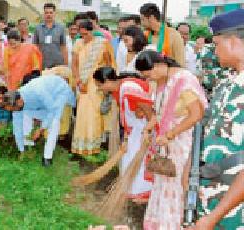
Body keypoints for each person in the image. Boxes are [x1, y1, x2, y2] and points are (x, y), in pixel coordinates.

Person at [135, 50, 207, 229]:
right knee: (164, 181)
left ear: (159, 65)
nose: (149, 79)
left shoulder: (183, 80)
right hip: (167, 143)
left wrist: (170, 134)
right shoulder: (162, 82)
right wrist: (149, 128)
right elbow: (160, 112)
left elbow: (196, 114)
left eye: (149, 74)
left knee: (177, 184)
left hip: (183, 142)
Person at [188, 9, 244, 230]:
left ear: (233, 42)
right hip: (211, 201)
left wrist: (213, 218)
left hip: (235, 214)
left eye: (217, 43)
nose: (214, 50)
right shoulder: (227, 83)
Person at [93, 67, 153, 202]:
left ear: (108, 81)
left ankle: (142, 193)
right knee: (129, 158)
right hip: (134, 131)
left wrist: (150, 129)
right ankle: (133, 191)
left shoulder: (128, 89)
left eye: (100, 85)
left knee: (139, 161)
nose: (100, 89)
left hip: (142, 130)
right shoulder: (119, 89)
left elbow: (149, 109)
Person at [0, 75, 75, 167]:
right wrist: (21, 150)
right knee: (25, 114)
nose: (14, 111)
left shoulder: (37, 90)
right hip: (44, 105)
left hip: (58, 92)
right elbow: (18, 128)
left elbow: (52, 110)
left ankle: (47, 158)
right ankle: (28, 146)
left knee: (54, 121)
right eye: (12, 110)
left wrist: (41, 129)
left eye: (14, 109)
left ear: (19, 101)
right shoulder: (15, 106)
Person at [71, 20, 115, 155]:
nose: (84, 37)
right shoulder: (78, 43)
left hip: (97, 83)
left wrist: (106, 84)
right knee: (82, 114)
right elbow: (74, 64)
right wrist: (78, 80)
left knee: (94, 114)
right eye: (81, 34)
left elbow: (109, 64)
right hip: (83, 84)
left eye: (86, 34)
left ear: (91, 32)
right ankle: (80, 147)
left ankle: (94, 147)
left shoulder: (101, 44)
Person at [33, 3, 68, 69]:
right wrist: (35, 64)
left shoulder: (61, 28)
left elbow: (63, 47)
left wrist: (66, 65)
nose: (48, 15)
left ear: (54, 13)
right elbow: (35, 47)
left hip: (57, 64)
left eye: (51, 13)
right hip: (42, 64)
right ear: (44, 14)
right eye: (46, 13)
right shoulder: (38, 28)